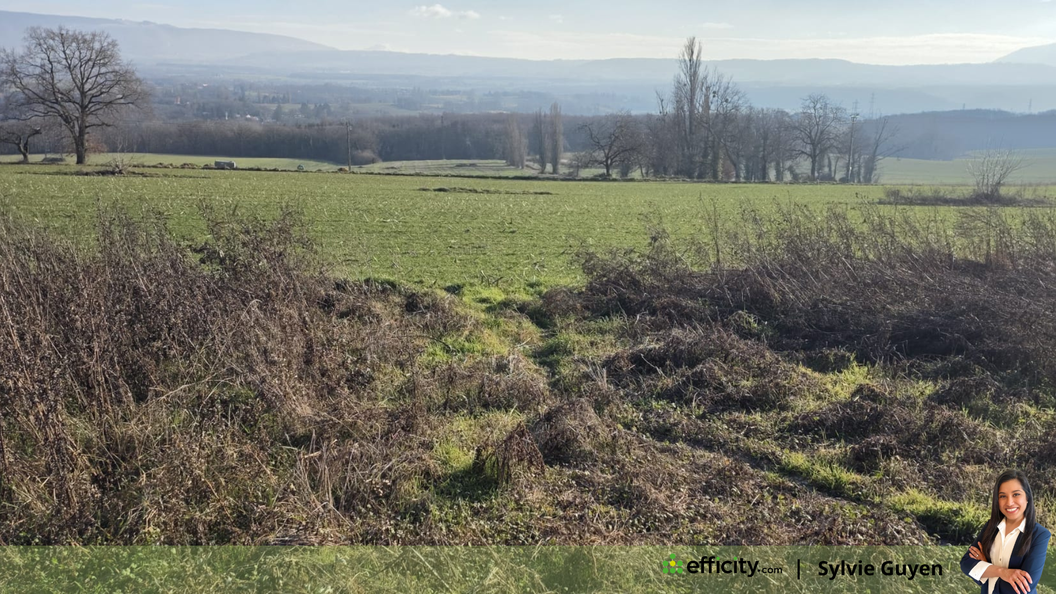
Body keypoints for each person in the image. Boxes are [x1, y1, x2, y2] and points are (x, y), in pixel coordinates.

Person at [961, 470, 1050, 594]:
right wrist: (1003, 572)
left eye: (1016, 494)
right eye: (1003, 496)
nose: (1009, 502)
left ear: (1027, 497)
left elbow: (1024, 586)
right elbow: (966, 563)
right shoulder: (990, 527)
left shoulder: (1039, 535)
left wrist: (986, 567)